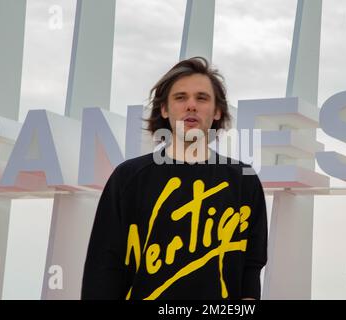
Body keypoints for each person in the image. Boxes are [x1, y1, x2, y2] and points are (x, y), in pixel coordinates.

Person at [81, 57, 268, 300]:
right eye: (180, 97)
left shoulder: (244, 180)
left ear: (217, 111)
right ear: (164, 109)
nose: (191, 105)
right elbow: (104, 266)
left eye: (202, 98)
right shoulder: (128, 177)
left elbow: (251, 269)